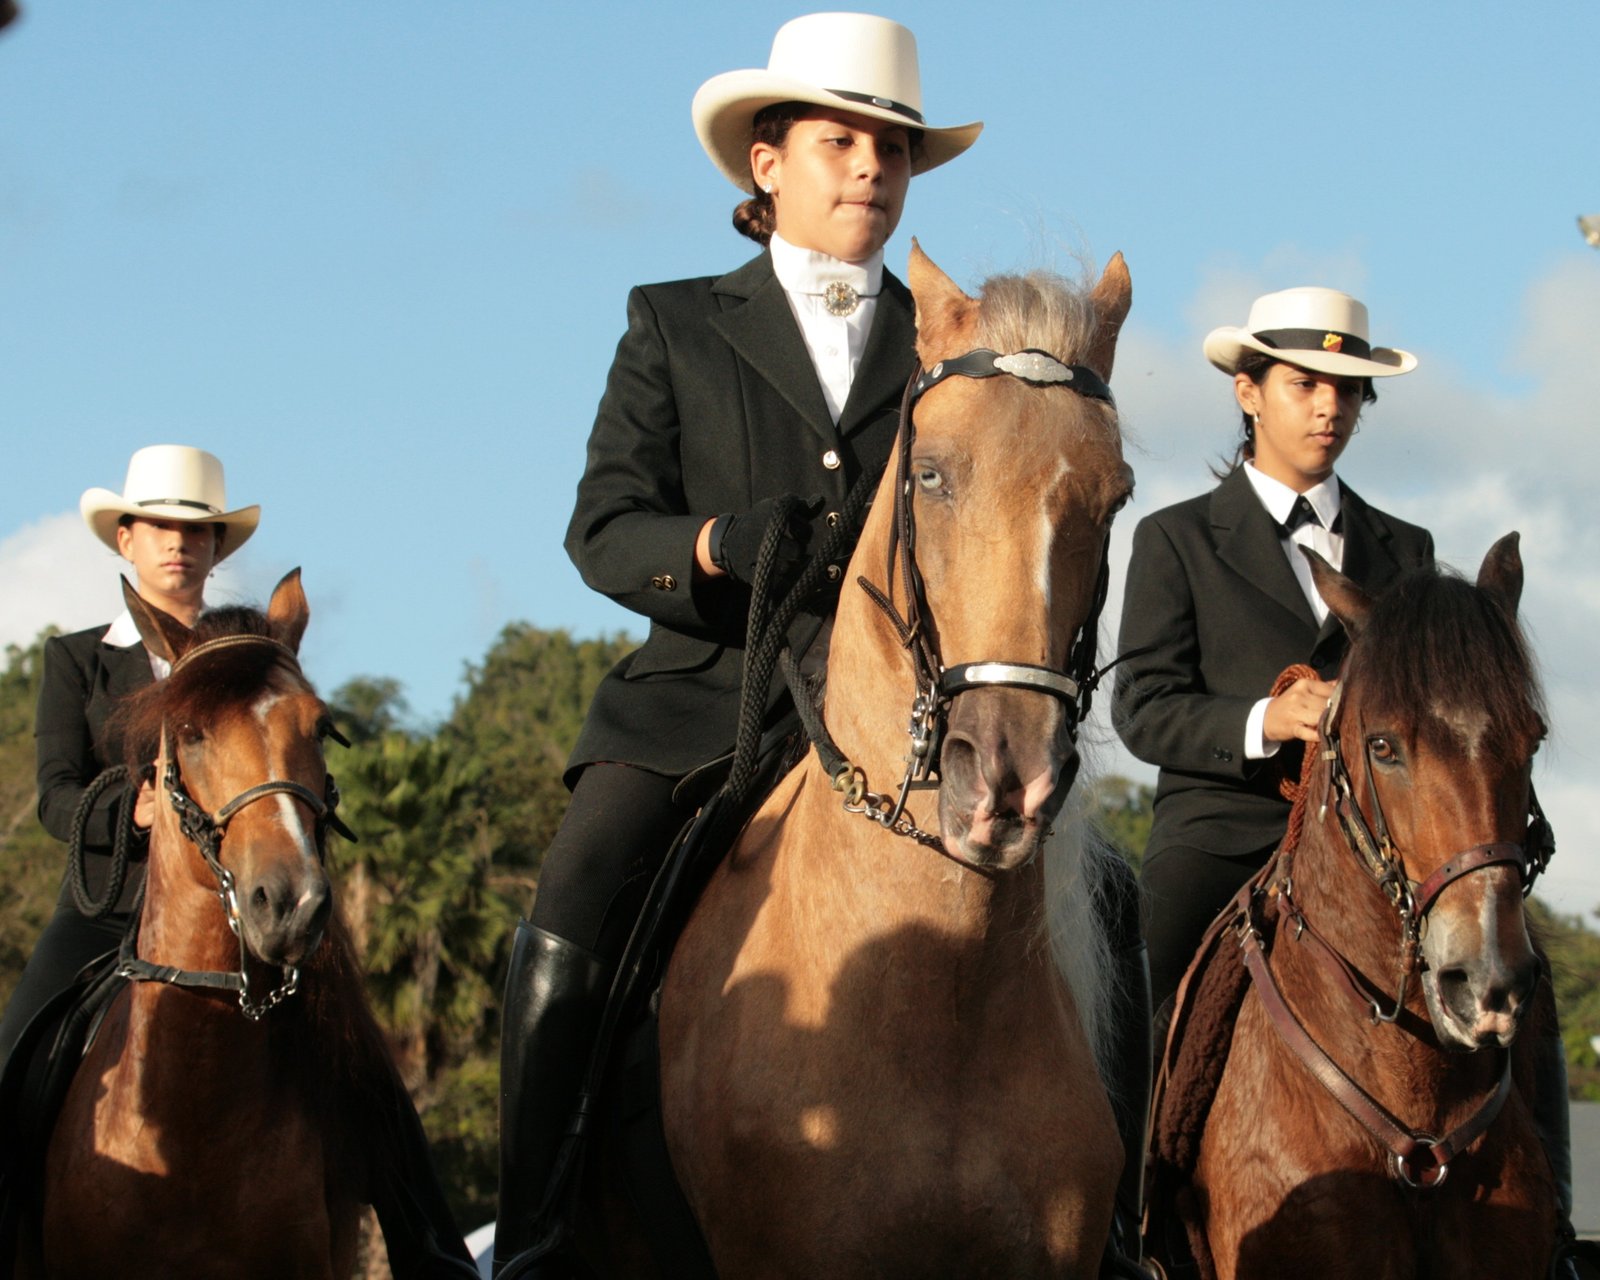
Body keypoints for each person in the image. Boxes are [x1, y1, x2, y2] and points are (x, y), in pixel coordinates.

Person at [495, 13, 991, 1272]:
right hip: (698, 700)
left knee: (1089, 892)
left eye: (891, 148)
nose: (871, 168)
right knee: (576, 890)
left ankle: (1106, 1220)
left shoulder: (949, 346)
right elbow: (600, 529)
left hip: (895, 716)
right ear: (766, 163)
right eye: (842, 141)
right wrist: (714, 544)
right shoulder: (670, 320)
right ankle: (541, 1224)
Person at [0, 445, 477, 1279]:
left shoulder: (255, 653)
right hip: (108, 905)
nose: (179, 543)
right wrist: (131, 806)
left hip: (246, 909)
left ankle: (434, 1253)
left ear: (218, 546)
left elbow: (284, 759)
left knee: (366, 1068)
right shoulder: (76, 657)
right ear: (125, 539)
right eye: (159, 527)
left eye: (199, 530)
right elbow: (53, 796)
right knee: (13, 1057)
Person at [1112, 286, 1433, 1027]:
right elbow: (1142, 709)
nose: (1332, 407)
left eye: (1349, 391)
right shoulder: (1174, 539)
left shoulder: (1408, 550)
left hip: (1375, 843)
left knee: (1519, 978)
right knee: (1139, 999)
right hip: (1218, 836)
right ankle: (1128, 1143)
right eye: (1307, 384)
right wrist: (1268, 719)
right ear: (1248, 392)